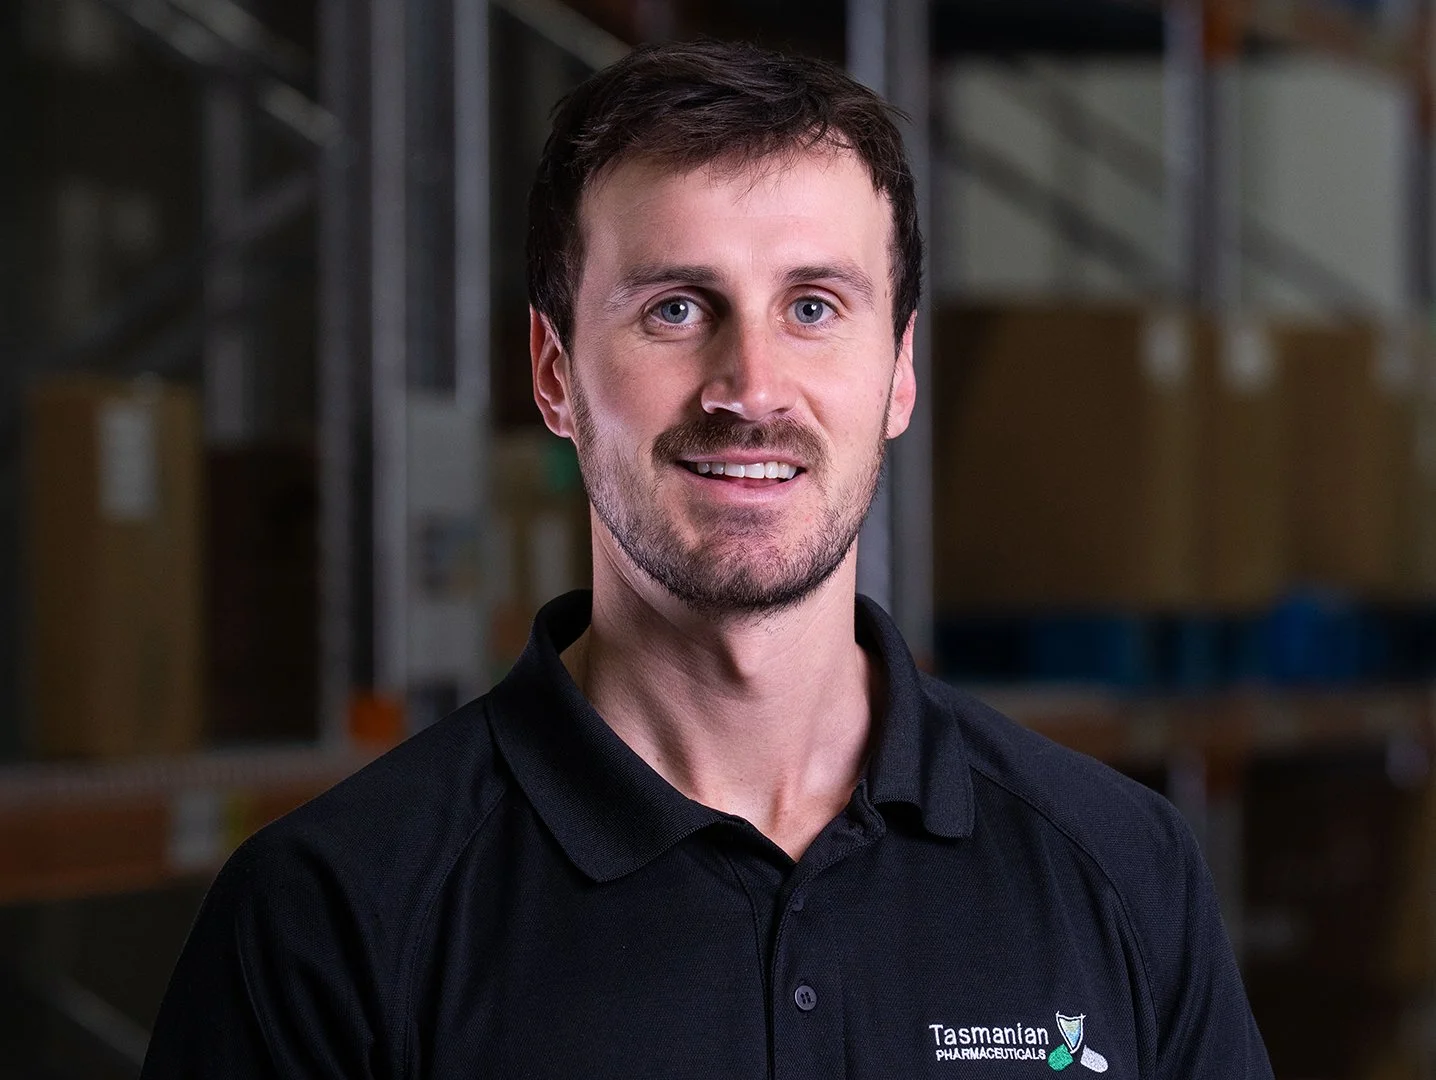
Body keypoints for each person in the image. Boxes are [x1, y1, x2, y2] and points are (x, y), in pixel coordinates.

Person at [143, 39, 1272, 1079]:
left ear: (898, 373)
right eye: (677, 309)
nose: (751, 388)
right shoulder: (332, 916)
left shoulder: (1121, 872)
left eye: (815, 306)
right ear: (553, 373)